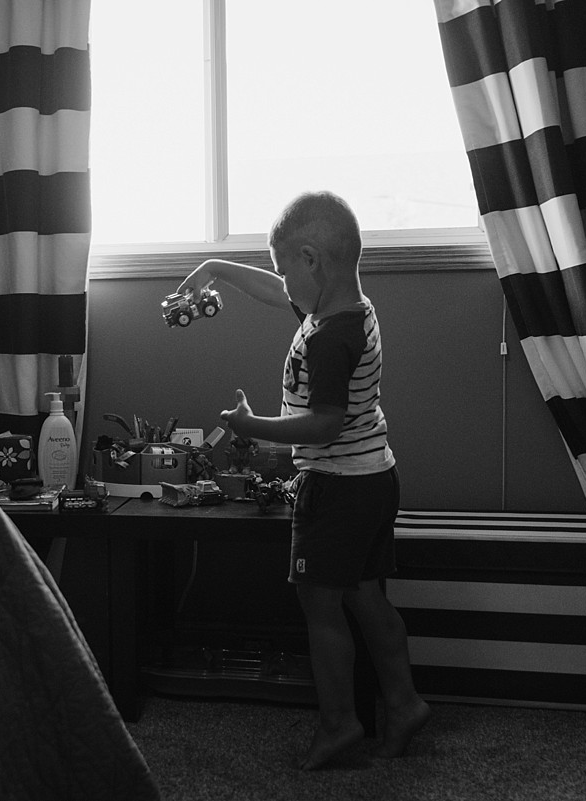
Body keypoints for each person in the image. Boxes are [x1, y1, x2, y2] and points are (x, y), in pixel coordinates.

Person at [176, 190, 430, 769]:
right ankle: (405, 701)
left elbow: (322, 425)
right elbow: (274, 294)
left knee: (322, 610)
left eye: (285, 268)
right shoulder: (343, 310)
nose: (281, 283)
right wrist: (215, 267)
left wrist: (251, 425)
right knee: (366, 597)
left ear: (313, 260)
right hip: (373, 477)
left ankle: (340, 724)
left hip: (338, 487)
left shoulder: (327, 338)